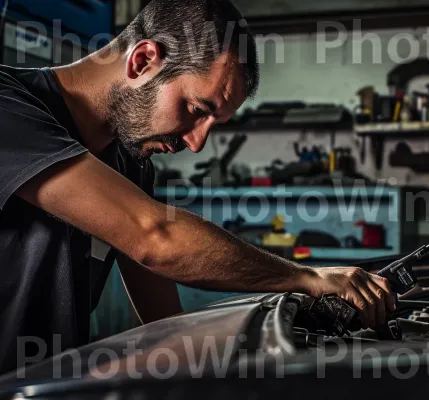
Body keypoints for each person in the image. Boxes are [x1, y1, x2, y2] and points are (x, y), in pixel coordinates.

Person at [0, 0, 394, 374]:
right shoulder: (8, 107)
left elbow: (168, 324)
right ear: (143, 61)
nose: (196, 143)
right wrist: (308, 278)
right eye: (196, 110)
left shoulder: (129, 165)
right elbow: (155, 237)